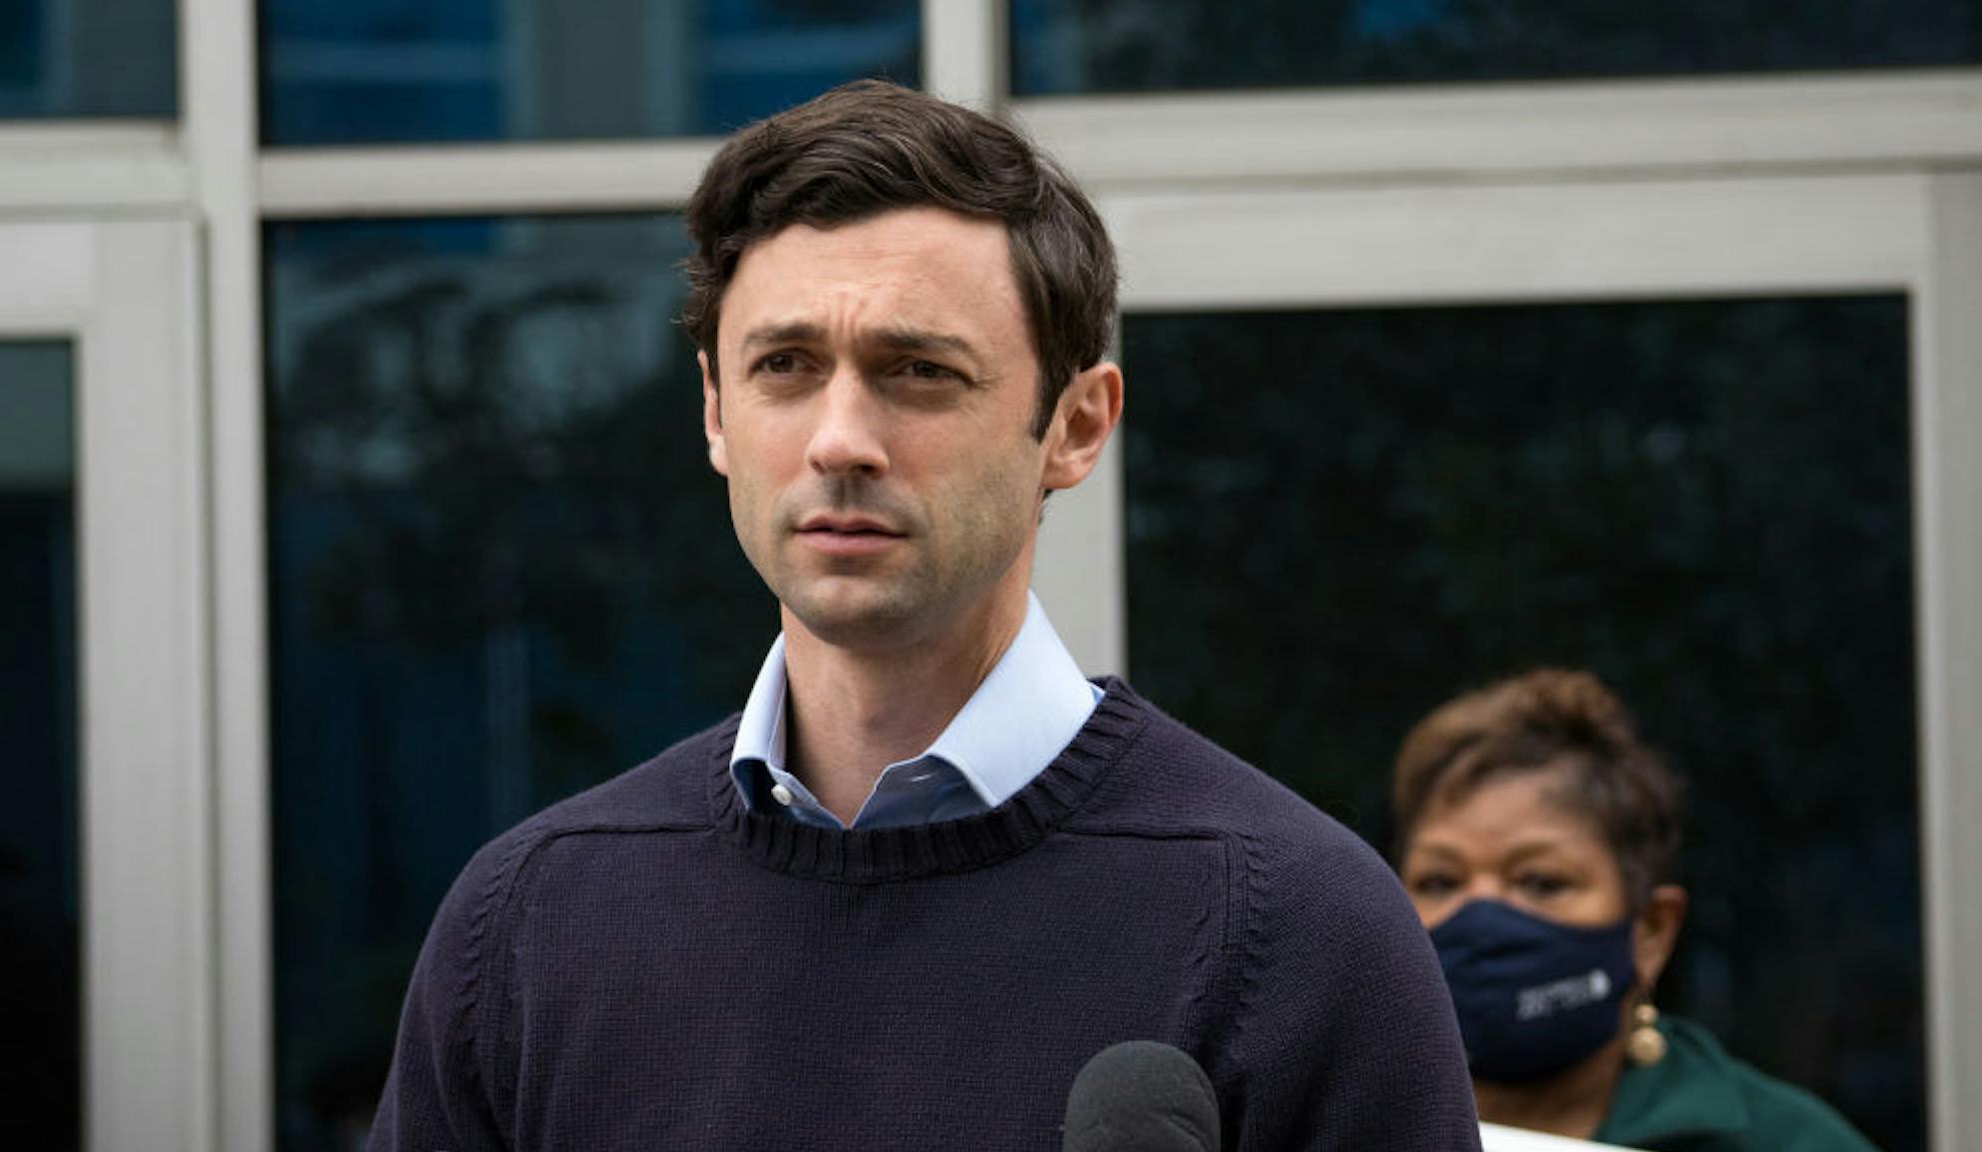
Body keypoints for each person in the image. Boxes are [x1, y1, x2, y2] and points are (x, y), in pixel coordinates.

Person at [367, 79, 1480, 1151]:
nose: (839, 437)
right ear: (714, 408)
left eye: (918, 372)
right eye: (786, 366)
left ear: (1077, 425)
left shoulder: (1297, 929)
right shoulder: (532, 918)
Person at [1392, 668, 1880, 1150]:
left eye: (1541, 882)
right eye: (1439, 882)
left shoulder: (1783, 1143)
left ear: (1652, 930)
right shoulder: (1333, 1115)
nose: (1481, 916)